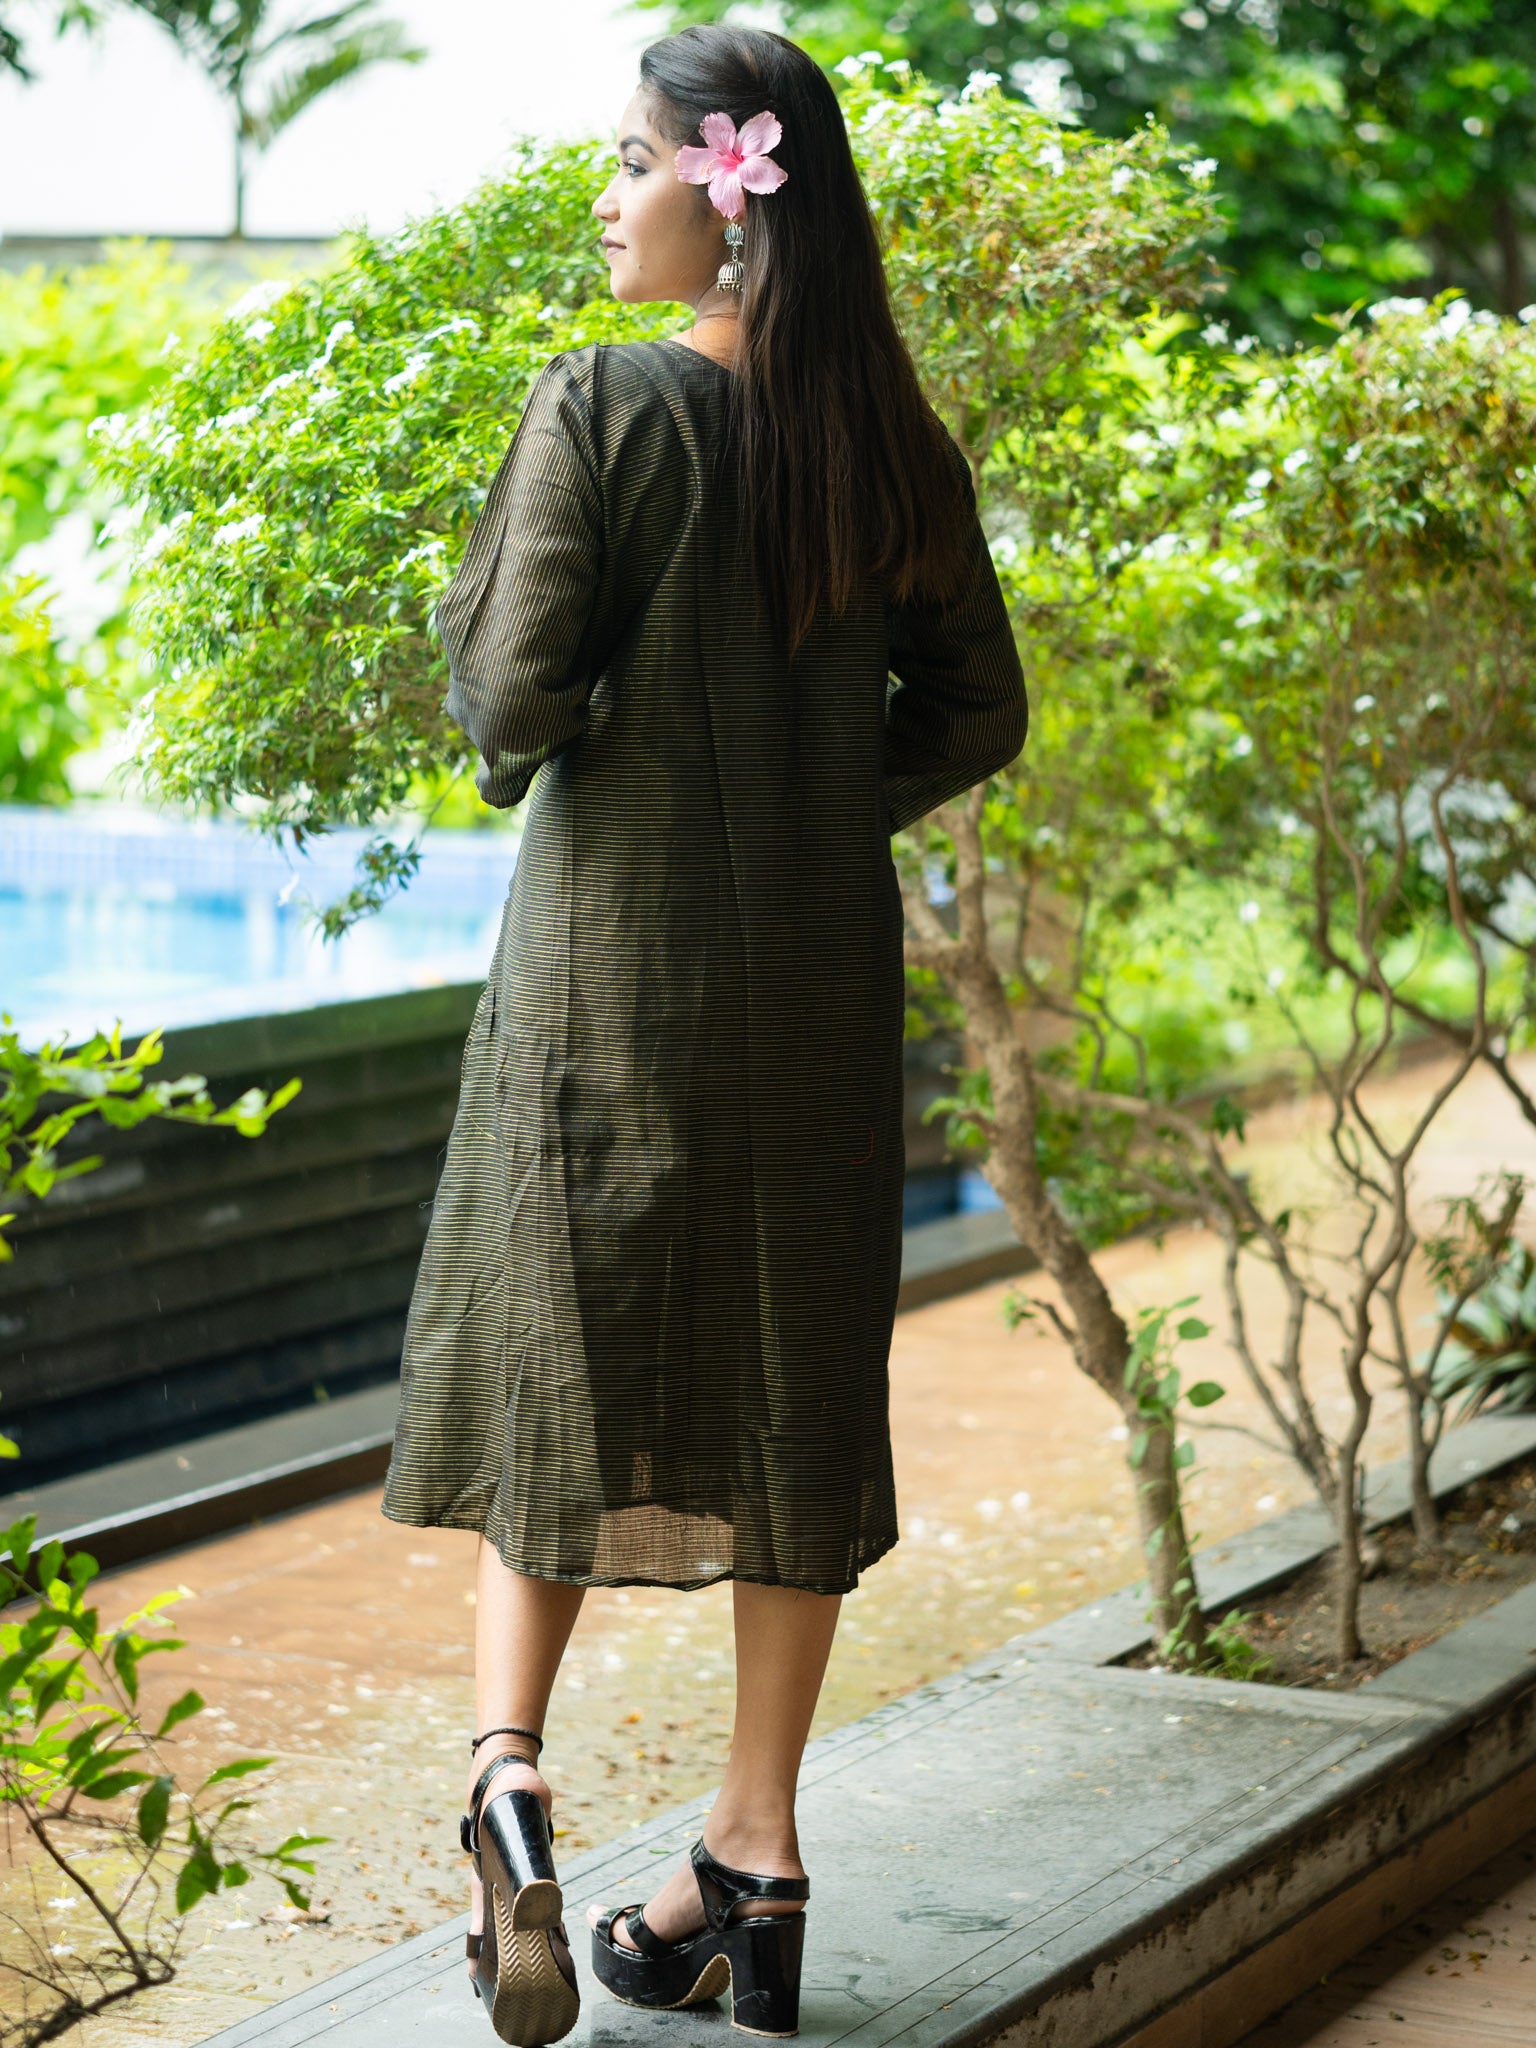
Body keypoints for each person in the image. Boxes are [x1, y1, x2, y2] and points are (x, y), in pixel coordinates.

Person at [380, 21, 1028, 2046]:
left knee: (554, 1350)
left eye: (627, 157)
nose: (605, 189)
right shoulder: (887, 446)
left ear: (719, 188)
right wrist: (827, 788)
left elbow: (508, 703)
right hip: (814, 998)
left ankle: (509, 1771)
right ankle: (754, 1848)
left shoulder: (603, 404)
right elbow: (981, 712)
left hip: (604, 978)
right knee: (789, 1385)